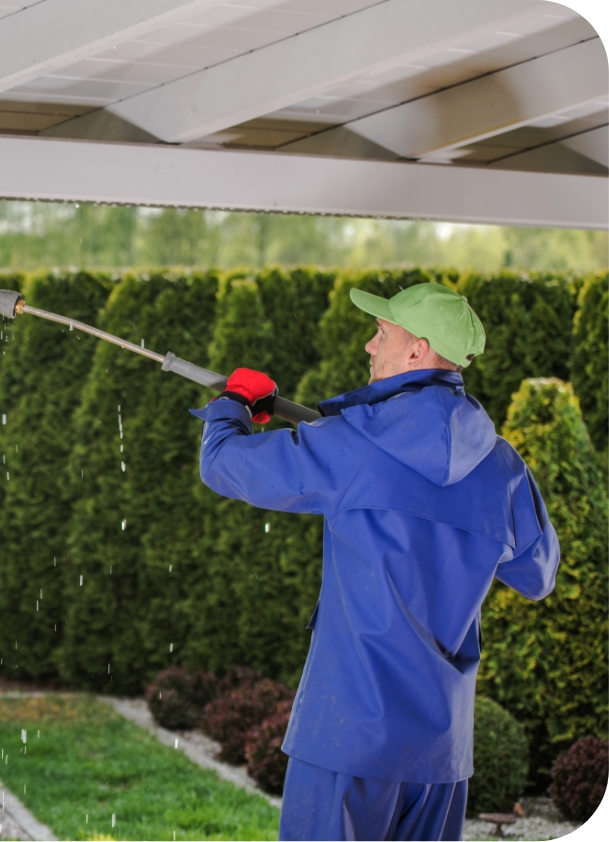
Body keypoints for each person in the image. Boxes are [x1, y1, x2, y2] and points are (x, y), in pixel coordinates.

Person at [190, 283, 560, 841]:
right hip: (440, 754)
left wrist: (232, 406)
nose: (369, 344)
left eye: (382, 333)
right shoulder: (503, 468)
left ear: (418, 351)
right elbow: (537, 576)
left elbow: (222, 463)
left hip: (348, 736)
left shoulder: (352, 445)